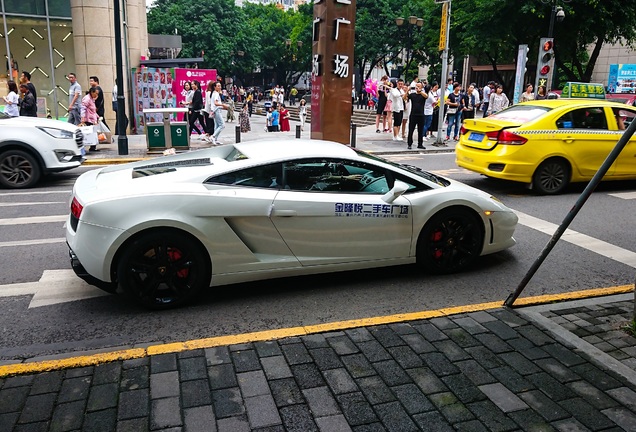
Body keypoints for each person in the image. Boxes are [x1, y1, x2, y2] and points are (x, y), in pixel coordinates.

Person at [407, 82, 427, 150]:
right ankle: (409, 144)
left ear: (421, 87)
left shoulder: (423, 95)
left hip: (421, 115)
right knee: (411, 130)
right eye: (416, 86)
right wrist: (407, 90)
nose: (417, 87)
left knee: (420, 130)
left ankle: (420, 144)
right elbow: (404, 97)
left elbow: (426, 96)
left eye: (419, 86)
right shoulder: (412, 95)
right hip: (413, 114)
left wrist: (420, 91)